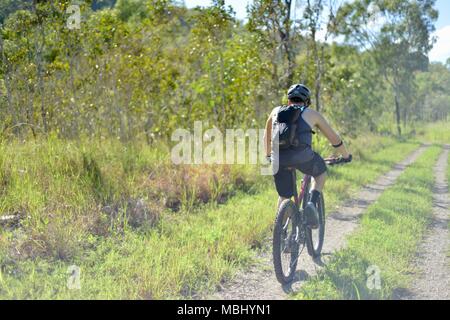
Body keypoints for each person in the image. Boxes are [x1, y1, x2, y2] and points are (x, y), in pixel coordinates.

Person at [264, 84, 352, 229]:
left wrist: (268, 156)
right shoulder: (311, 113)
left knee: (284, 196)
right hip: (303, 157)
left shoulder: (275, 111)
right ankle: (312, 202)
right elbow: (334, 139)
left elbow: (266, 136)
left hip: (278, 159)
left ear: (288, 101)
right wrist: (346, 155)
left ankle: (280, 232)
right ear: (307, 101)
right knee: (320, 172)